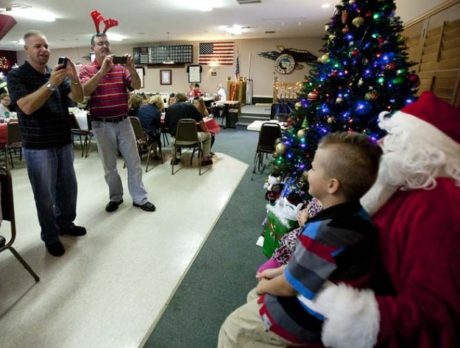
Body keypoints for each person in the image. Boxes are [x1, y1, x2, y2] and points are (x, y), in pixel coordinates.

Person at [313, 91, 460, 348]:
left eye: (395, 138)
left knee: (239, 332)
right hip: (342, 282)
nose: (382, 144)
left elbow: (438, 311)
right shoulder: (399, 186)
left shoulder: (437, 204)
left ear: (423, 151)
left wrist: (344, 310)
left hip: (354, 312)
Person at [218, 132, 383, 347]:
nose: (307, 173)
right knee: (254, 294)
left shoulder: (323, 230)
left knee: (233, 327)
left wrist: (265, 287)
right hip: (332, 300)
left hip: (311, 317)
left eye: (313, 168)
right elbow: (315, 265)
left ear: (332, 185)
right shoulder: (356, 217)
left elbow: (288, 287)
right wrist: (277, 272)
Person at [7, 30, 86, 257]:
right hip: (38, 146)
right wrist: (51, 85)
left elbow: (79, 99)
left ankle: (65, 224)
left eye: (46, 46)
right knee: (45, 195)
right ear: (26, 50)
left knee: (68, 190)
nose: (43, 50)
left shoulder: (54, 73)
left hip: (63, 141)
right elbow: (27, 106)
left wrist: (74, 77)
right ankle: (50, 236)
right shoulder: (17, 76)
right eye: (37, 46)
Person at [79, 33, 155, 213]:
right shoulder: (86, 70)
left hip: (123, 122)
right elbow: (85, 90)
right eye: (99, 44)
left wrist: (132, 68)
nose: (104, 46)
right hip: (101, 124)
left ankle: (139, 198)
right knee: (109, 166)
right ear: (93, 48)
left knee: (134, 162)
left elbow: (136, 85)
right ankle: (116, 197)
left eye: (106, 43)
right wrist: (102, 71)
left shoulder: (121, 69)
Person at [165, 92, 212, 166]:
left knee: (172, 136)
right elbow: (201, 121)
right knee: (208, 135)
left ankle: (174, 159)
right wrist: (205, 130)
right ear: (185, 99)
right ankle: (205, 159)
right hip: (192, 139)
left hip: (176, 139)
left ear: (176, 99)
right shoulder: (190, 106)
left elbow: (167, 126)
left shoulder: (169, 109)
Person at [138, 95, 163, 160]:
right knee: (157, 132)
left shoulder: (141, 108)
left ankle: (144, 148)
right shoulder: (157, 111)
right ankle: (156, 153)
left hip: (139, 133)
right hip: (150, 134)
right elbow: (158, 125)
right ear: (159, 103)